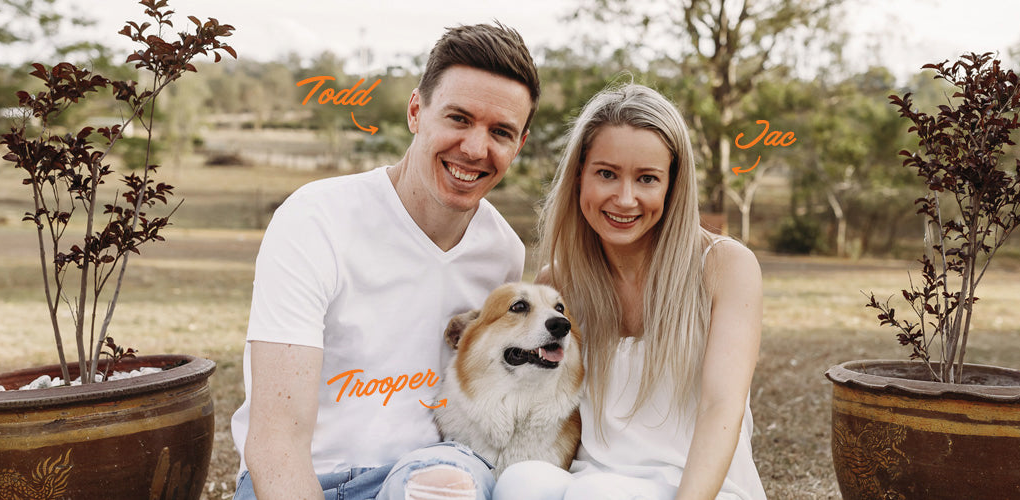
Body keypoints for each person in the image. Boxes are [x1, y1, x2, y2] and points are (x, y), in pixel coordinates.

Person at [231, 22, 540, 500]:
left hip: (430, 478)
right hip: (305, 479)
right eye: (459, 119)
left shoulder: (502, 253)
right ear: (416, 111)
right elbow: (276, 445)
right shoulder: (316, 219)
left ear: (518, 145)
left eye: (500, 132)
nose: (475, 149)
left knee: (450, 482)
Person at [493, 84, 766, 500]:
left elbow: (720, 407)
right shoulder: (557, 287)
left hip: (700, 488)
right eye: (606, 173)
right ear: (579, 174)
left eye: (647, 179)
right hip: (589, 482)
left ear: (672, 185)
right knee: (521, 482)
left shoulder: (725, 267)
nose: (625, 199)